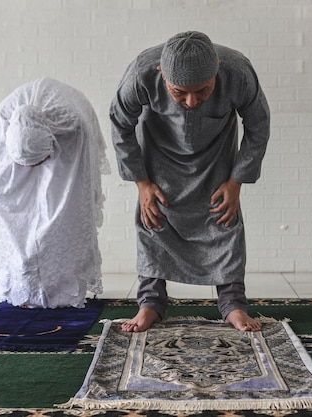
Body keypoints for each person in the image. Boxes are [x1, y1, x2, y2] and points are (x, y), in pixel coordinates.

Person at [110, 31, 270, 332]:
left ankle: (233, 304)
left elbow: (259, 124)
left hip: (216, 155)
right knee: (153, 218)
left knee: (224, 219)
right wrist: (142, 182)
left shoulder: (238, 71)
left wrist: (236, 181)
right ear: (161, 72)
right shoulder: (141, 72)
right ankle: (150, 304)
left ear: (218, 69)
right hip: (159, 153)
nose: (191, 101)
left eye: (202, 90)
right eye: (179, 92)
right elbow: (120, 124)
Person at [0, 77, 109, 309]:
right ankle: (22, 285)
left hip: (69, 143)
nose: (33, 169)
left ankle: (60, 291)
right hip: (11, 147)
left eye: (38, 161)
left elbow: (72, 198)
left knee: (61, 217)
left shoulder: (73, 125)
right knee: (13, 220)